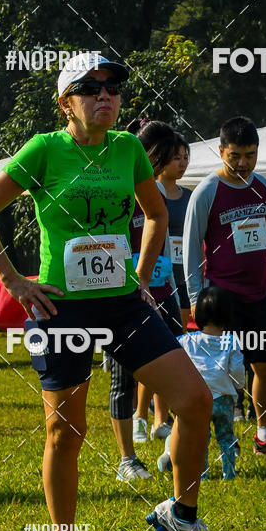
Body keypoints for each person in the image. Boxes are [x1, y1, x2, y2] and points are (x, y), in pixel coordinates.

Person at [0, 53, 213, 531]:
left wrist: (142, 276)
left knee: (196, 401)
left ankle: (182, 515)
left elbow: (156, 214)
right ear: (65, 102)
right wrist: (13, 281)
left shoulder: (127, 148)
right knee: (65, 431)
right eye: (90, 88)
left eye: (113, 87)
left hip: (123, 304)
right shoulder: (44, 149)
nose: (105, 95)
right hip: (62, 308)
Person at [183, 115, 266, 455]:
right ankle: (209, 442)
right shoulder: (207, 191)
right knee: (216, 374)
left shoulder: (265, 189)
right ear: (221, 151)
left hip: (260, 296)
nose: (242, 163)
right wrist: (196, 296)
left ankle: (265, 435)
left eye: (250, 155)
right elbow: (192, 247)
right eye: (235, 155)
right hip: (220, 297)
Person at [110, 119, 180, 480]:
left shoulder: (156, 192)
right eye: (159, 159)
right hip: (115, 292)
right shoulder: (116, 182)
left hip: (156, 291)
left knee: (170, 366)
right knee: (123, 377)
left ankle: (165, 431)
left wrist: (154, 276)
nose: (161, 168)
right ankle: (127, 458)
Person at [158, 285, 244, 480]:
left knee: (200, 438)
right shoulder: (231, 341)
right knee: (226, 437)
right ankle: (229, 473)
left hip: (198, 399)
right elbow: (238, 369)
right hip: (224, 399)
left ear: (198, 316)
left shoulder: (186, 341)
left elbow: (174, 364)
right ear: (228, 315)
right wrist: (239, 385)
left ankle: (202, 473)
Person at [158, 135, 192, 332]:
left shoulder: (191, 197)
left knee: (179, 335)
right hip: (157, 278)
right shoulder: (148, 194)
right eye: (176, 158)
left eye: (185, 157)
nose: (182, 163)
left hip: (184, 277)